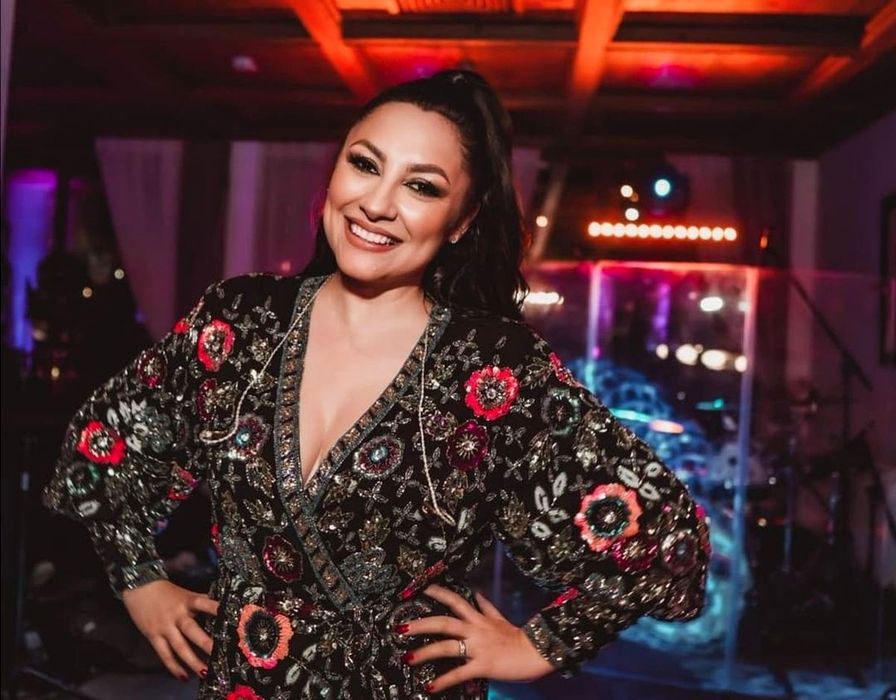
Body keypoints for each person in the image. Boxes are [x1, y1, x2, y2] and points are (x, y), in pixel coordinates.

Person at [43, 70, 709, 699]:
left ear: (463, 220)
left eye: (421, 186)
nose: (378, 204)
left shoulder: (492, 368)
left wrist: (538, 646)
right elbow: (103, 448)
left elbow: (665, 541)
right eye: (364, 164)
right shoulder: (240, 321)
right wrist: (140, 582)